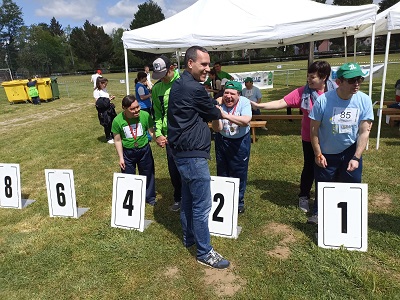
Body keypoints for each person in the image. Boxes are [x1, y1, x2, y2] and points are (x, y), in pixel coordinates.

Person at [168, 46, 230, 269]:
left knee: (187, 200)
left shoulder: (180, 82)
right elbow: (213, 113)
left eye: (209, 64)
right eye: (203, 64)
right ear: (190, 63)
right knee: (202, 206)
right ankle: (205, 252)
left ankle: (190, 239)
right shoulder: (194, 88)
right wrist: (217, 103)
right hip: (192, 156)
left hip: (182, 153)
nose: (208, 68)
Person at [251, 61, 337, 213]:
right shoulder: (302, 92)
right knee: (310, 167)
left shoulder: (336, 92)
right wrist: (259, 106)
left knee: (326, 168)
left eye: (313, 77)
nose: (309, 80)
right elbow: (281, 102)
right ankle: (303, 196)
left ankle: (323, 198)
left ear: (324, 78)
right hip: (309, 138)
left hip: (330, 138)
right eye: (308, 77)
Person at [307, 62, 374, 225]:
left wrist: (356, 157)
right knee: (323, 185)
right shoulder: (323, 101)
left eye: (359, 79)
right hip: (327, 151)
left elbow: (365, 131)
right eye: (352, 80)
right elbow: (314, 130)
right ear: (339, 82)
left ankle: (350, 216)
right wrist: (318, 153)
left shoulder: (364, 100)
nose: (357, 84)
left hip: (350, 150)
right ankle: (318, 213)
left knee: (352, 184)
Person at [211, 80, 252, 214]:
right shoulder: (219, 103)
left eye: (232, 94)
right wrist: (217, 116)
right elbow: (218, 129)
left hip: (240, 142)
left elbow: (246, 121)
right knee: (222, 170)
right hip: (222, 139)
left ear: (239, 95)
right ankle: (224, 200)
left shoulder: (244, 102)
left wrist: (225, 115)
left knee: (239, 171)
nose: (228, 96)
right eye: (226, 93)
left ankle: (238, 201)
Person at [111, 95, 157, 206]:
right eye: (132, 109)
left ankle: (149, 197)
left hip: (144, 150)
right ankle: (131, 198)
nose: (136, 110)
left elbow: (151, 132)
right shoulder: (117, 121)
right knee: (128, 176)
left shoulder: (145, 116)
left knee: (148, 173)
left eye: (137, 107)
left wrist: (158, 139)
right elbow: (117, 140)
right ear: (124, 108)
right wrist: (121, 157)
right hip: (128, 153)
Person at [151, 55, 182, 212]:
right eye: (158, 76)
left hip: (185, 135)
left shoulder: (184, 83)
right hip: (168, 136)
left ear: (172, 68)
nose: (162, 78)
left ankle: (192, 199)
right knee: (174, 170)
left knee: (189, 169)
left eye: (164, 74)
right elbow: (157, 113)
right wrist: (158, 133)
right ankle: (179, 198)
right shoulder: (157, 88)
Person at [94, 77, 116, 144]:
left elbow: (106, 99)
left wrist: (110, 99)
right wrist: (109, 99)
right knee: (107, 124)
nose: (105, 85)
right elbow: (98, 103)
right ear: (100, 83)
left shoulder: (104, 89)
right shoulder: (96, 92)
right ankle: (108, 137)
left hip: (109, 108)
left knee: (113, 122)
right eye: (104, 84)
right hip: (103, 110)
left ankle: (113, 135)